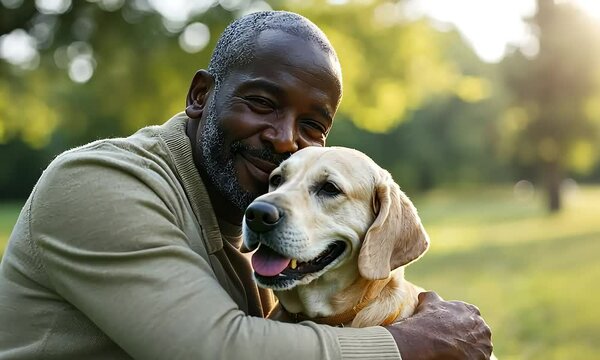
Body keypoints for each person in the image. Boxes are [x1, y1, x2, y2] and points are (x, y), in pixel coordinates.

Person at [0, 11, 492, 360]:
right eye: (261, 103)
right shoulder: (97, 184)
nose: (284, 141)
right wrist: (415, 345)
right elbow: (217, 349)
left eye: (312, 125)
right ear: (200, 96)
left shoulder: (250, 223)